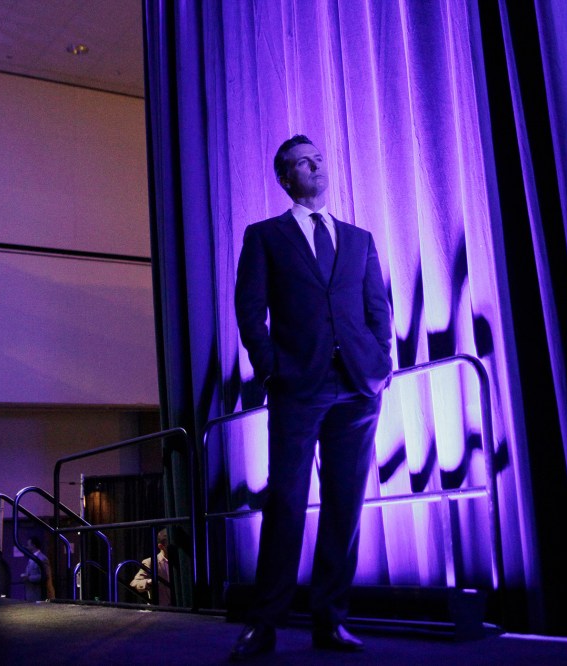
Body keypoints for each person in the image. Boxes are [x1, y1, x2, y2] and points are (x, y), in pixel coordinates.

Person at [230, 134, 393, 659]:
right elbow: (249, 311)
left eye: (318, 159)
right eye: (303, 163)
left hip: (358, 387)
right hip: (299, 386)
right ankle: (265, 622)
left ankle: (331, 619)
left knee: (346, 506)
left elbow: (378, 307)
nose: (315, 168)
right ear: (286, 179)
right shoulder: (265, 236)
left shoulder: (359, 237)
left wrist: (382, 363)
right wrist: (272, 368)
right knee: (287, 504)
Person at [129, 528, 172, 605]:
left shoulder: (183, 562)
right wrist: (148, 582)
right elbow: (135, 583)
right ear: (161, 546)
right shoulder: (151, 562)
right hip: (160, 611)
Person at [19, 536, 55, 601]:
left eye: (28, 545)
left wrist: (29, 578)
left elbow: (45, 576)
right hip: (32, 593)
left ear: (33, 545)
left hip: (38, 594)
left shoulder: (42, 558)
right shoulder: (32, 558)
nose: (27, 547)